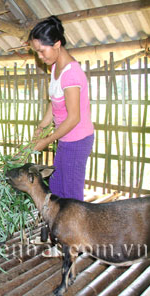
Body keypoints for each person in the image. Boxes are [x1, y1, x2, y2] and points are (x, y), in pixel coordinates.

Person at [28, 15, 94, 201]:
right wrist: (42, 126)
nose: (40, 57)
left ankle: (75, 229)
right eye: (36, 53)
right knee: (57, 188)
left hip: (77, 140)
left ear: (57, 44)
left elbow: (74, 118)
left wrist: (47, 140)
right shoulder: (55, 65)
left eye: (42, 51)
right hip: (65, 138)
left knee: (71, 197)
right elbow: (55, 101)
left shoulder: (71, 75)